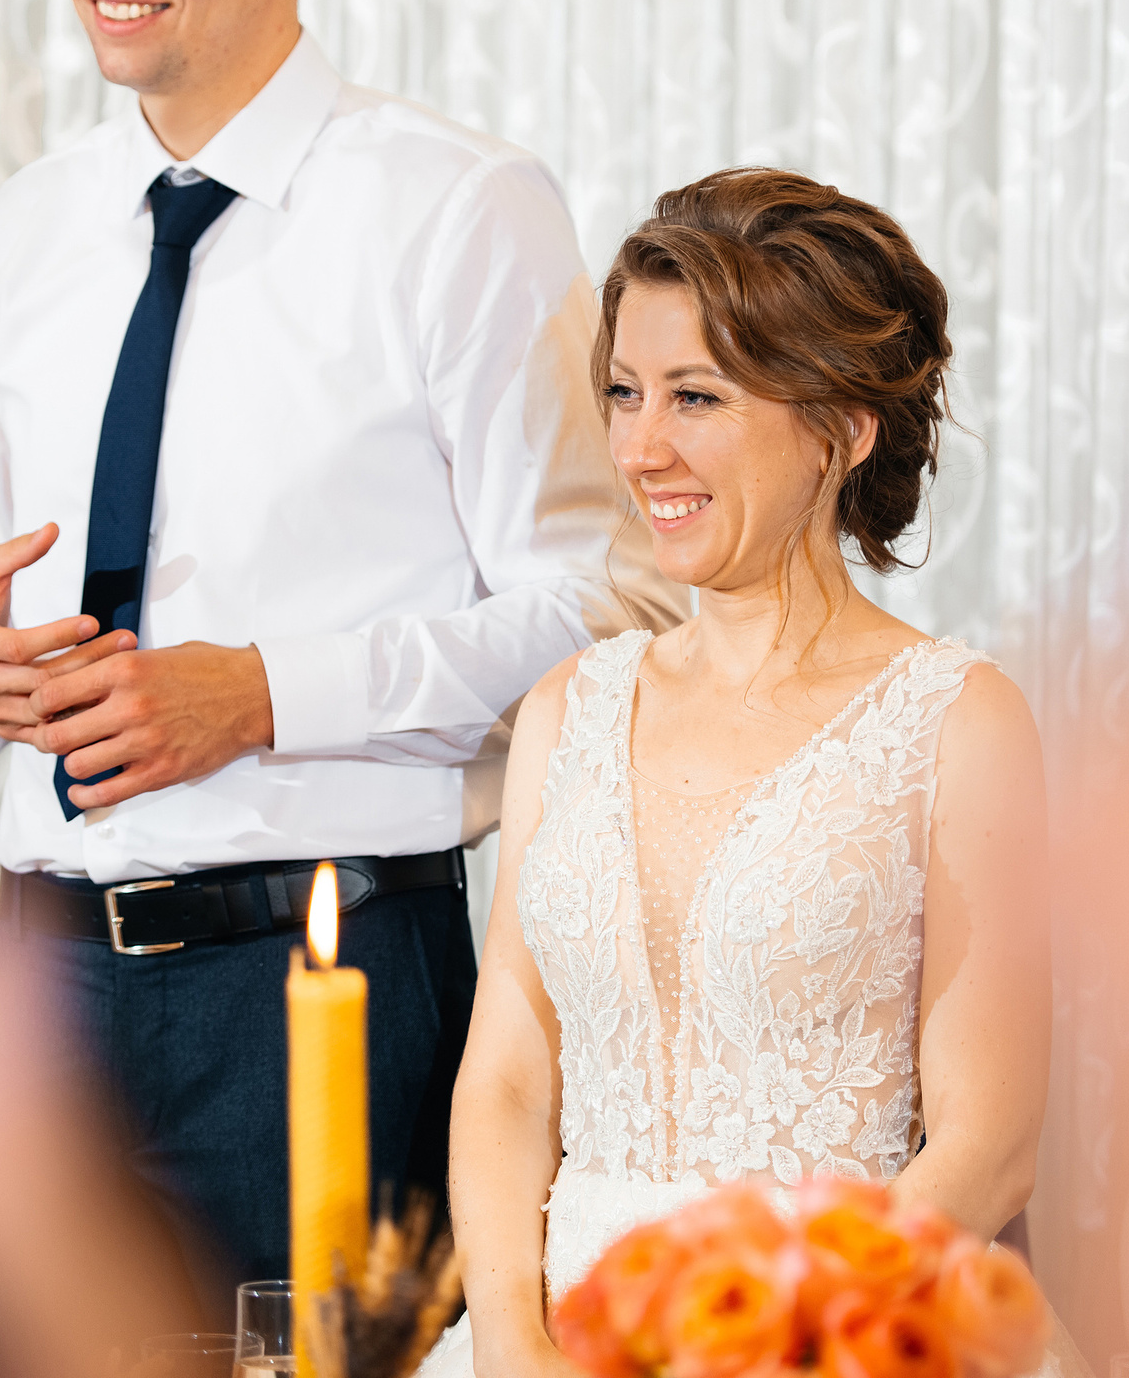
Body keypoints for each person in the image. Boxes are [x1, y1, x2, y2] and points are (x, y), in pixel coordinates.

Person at [0, 0, 677, 1292]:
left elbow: (604, 612)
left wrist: (262, 697)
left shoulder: (462, 210)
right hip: (28, 981)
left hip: (317, 986)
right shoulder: (21, 231)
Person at [439, 170, 1080, 1377]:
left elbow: (988, 1149)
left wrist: (779, 1344)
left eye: (697, 397)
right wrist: (512, 1345)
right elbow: (510, 1084)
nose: (640, 447)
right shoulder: (566, 710)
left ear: (841, 429)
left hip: (841, 1341)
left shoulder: (956, 720)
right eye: (625, 393)